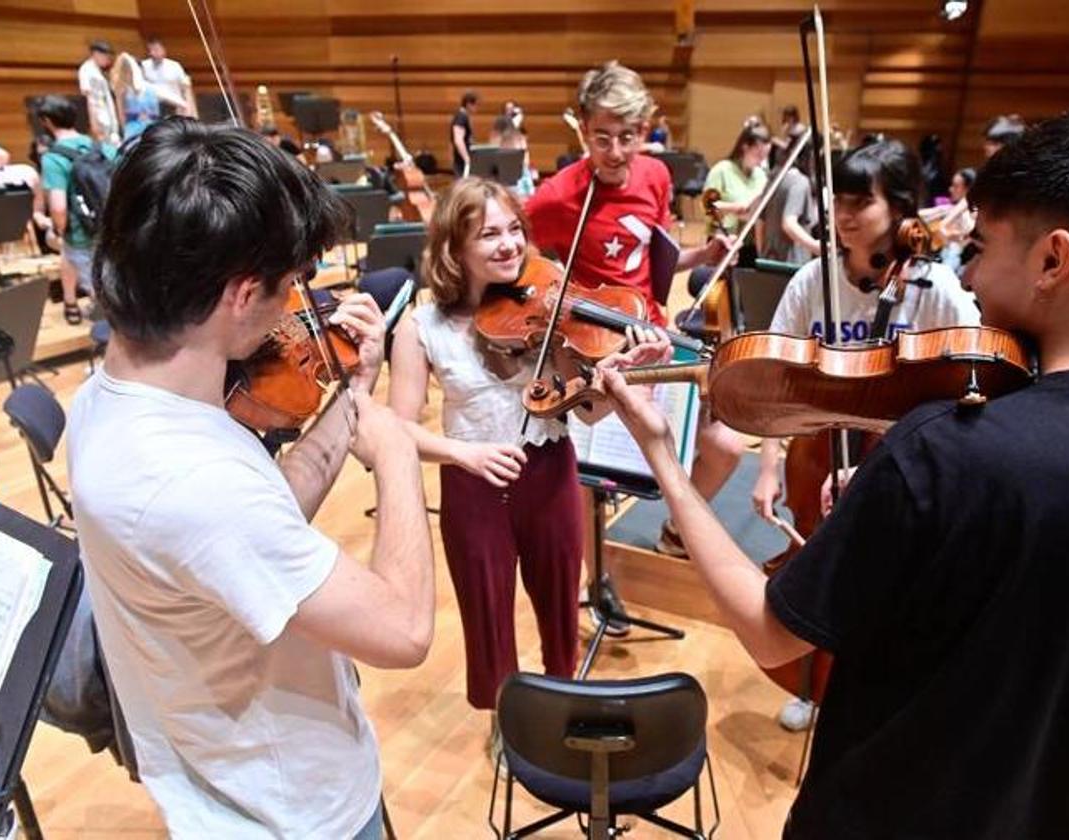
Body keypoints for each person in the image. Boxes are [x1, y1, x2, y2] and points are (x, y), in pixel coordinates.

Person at [600, 100, 1069, 840]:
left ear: (1052, 260)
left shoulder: (947, 449)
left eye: (981, 249)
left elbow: (771, 632)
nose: (965, 275)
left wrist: (662, 457)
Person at [68, 117, 436, 839]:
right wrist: (395, 454)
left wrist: (354, 395)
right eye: (291, 282)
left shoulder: (106, 400)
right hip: (291, 812)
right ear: (240, 295)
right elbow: (405, 630)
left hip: (234, 778)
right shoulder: (190, 481)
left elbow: (259, 521)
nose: (298, 304)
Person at [388, 176, 665, 761]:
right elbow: (396, 430)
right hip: (473, 483)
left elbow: (586, 414)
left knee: (560, 600)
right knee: (485, 608)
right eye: (489, 234)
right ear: (452, 247)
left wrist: (621, 373)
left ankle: (562, 701)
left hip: (548, 471)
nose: (510, 245)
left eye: (515, 229)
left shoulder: (549, 307)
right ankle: (506, 718)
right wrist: (465, 453)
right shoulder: (422, 327)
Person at [752, 137, 980, 731]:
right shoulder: (812, 280)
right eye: (839, 202)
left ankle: (875, 692)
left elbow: (972, 386)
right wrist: (769, 465)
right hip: (816, 447)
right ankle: (812, 682)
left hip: (903, 459)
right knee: (815, 564)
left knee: (893, 579)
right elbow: (781, 379)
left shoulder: (938, 291)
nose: (844, 216)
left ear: (901, 208)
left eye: (861, 202)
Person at [524, 60, 744, 567]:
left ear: (645, 128)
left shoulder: (656, 175)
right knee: (586, 472)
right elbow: (521, 262)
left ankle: (674, 527)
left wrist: (702, 256)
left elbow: (650, 256)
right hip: (593, 349)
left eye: (628, 136)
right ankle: (590, 578)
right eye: (602, 138)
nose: (617, 152)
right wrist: (553, 305)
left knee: (727, 445)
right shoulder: (558, 196)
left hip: (653, 335)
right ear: (582, 130)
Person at [36, 95, 118, 324]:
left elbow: (59, 208)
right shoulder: (104, 149)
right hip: (113, 231)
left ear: (47, 121)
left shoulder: (53, 158)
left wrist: (58, 232)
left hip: (82, 236)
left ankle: (103, 330)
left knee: (104, 300)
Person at [703, 122, 772, 238]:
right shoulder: (722, 170)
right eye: (758, 155)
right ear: (745, 148)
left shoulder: (761, 175)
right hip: (723, 239)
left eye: (765, 156)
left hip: (752, 241)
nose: (762, 161)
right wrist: (735, 209)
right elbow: (707, 206)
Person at [761, 151, 819, 266]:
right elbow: (788, 223)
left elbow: (760, 222)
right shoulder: (799, 182)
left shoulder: (773, 179)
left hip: (768, 258)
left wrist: (761, 253)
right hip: (792, 261)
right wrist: (815, 246)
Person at [110, 52, 184, 140]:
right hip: (133, 131)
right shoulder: (123, 90)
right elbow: (121, 116)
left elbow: (180, 103)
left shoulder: (151, 88)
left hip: (152, 129)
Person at [140, 35, 195, 117]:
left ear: (163, 50)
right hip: (154, 106)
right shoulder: (144, 66)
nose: (152, 53)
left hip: (173, 105)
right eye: (150, 50)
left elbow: (185, 88)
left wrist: (189, 109)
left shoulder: (174, 66)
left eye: (156, 50)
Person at [78, 39, 120, 145]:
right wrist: (94, 122)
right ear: (96, 54)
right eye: (106, 56)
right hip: (98, 117)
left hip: (107, 115)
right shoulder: (86, 70)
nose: (108, 60)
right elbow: (87, 97)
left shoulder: (98, 71)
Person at [450, 89, 478, 177]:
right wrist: (467, 159)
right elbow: (458, 140)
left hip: (462, 160)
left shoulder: (463, 116)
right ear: (469, 104)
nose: (477, 108)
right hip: (461, 162)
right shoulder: (461, 117)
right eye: (476, 105)